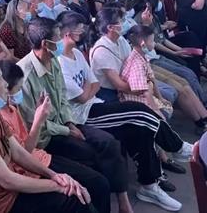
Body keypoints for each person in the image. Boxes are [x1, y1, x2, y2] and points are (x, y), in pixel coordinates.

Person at [58, 11, 192, 200]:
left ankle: (149, 184)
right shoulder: (61, 63)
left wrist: (88, 86)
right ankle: (178, 148)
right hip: (83, 115)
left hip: (95, 102)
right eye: (80, 30)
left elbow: (93, 84)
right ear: (67, 33)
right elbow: (83, 97)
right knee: (139, 112)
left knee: (141, 127)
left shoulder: (78, 54)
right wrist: (89, 86)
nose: (83, 33)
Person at [0, 56, 92, 213]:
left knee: (79, 189)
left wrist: (55, 176)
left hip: (6, 187)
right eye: (0, 79)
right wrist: (58, 186)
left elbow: (17, 151)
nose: (6, 84)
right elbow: (6, 180)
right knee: (73, 201)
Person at [0, 62, 111, 213]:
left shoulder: (11, 107)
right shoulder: (0, 118)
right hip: (31, 166)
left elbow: (28, 146)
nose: (20, 93)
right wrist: (39, 120)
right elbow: (23, 153)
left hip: (40, 157)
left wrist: (44, 116)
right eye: (18, 89)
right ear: (5, 90)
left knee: (97, 179)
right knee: (82, 195)